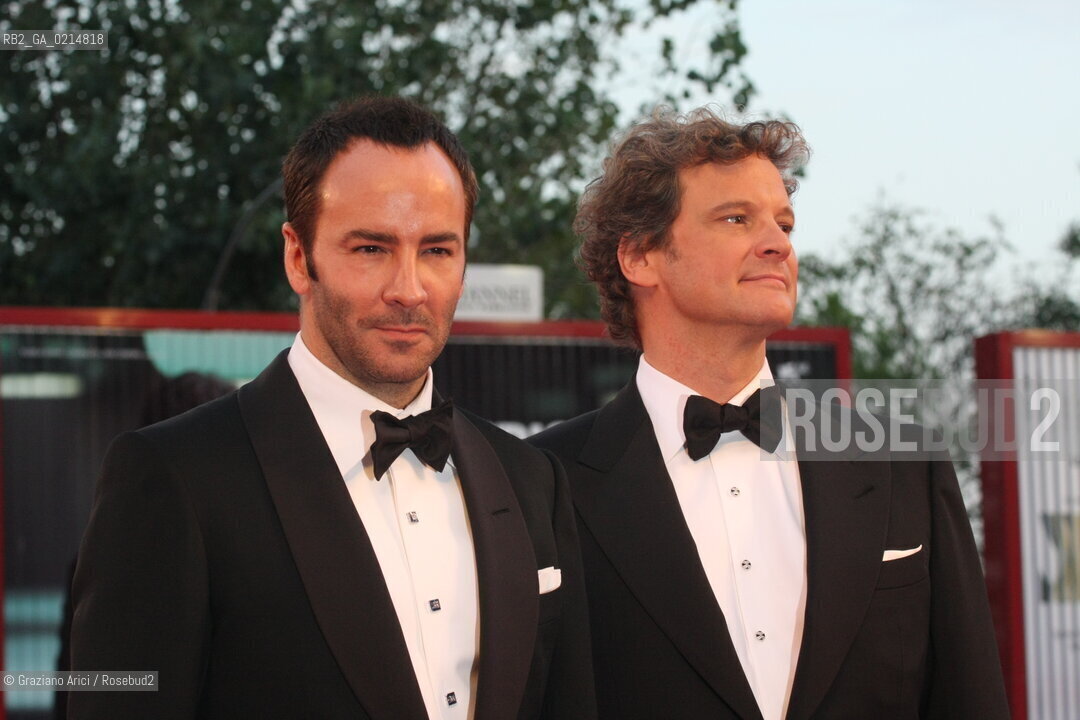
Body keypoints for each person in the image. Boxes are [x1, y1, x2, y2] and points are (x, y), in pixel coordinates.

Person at [70, 96, 595, 720]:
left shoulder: (530, 479)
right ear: (299, 257)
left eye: (437, 250)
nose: (408, 290)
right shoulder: (174, 476)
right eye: (370, 249)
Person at [530, 106, 1009, 720]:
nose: (778, 243)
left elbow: (970, 696)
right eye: (737, 219)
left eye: (785, 222)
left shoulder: (899, 460)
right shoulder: (544, 481)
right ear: (641, 258)